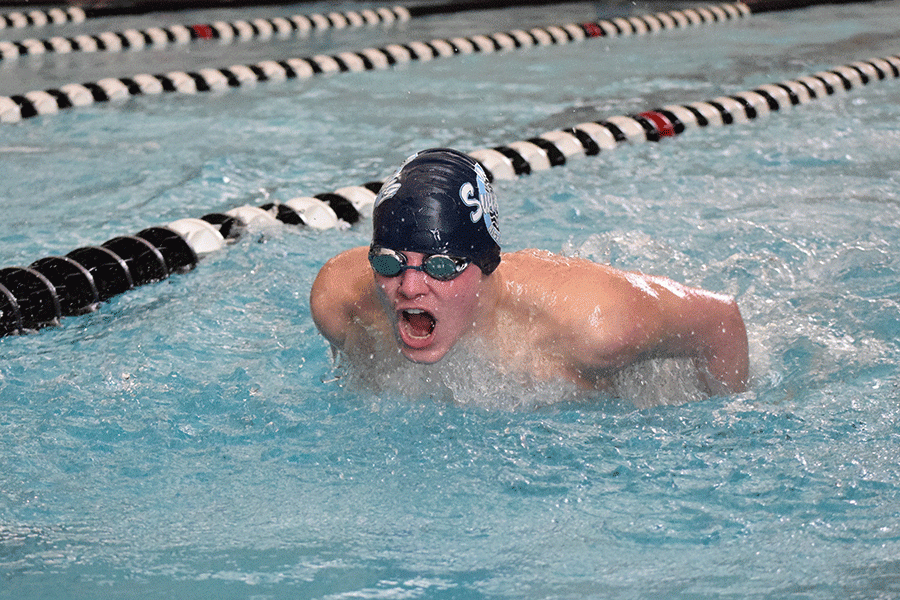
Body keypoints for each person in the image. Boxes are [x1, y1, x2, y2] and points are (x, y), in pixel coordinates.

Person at [310, 148, 749, 395]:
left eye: (440, 266)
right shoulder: (341, 302)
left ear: (486, 265)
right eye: (388, 261)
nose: (408, 286)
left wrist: (726, 432)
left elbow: (722, 319)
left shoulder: (597, 324)